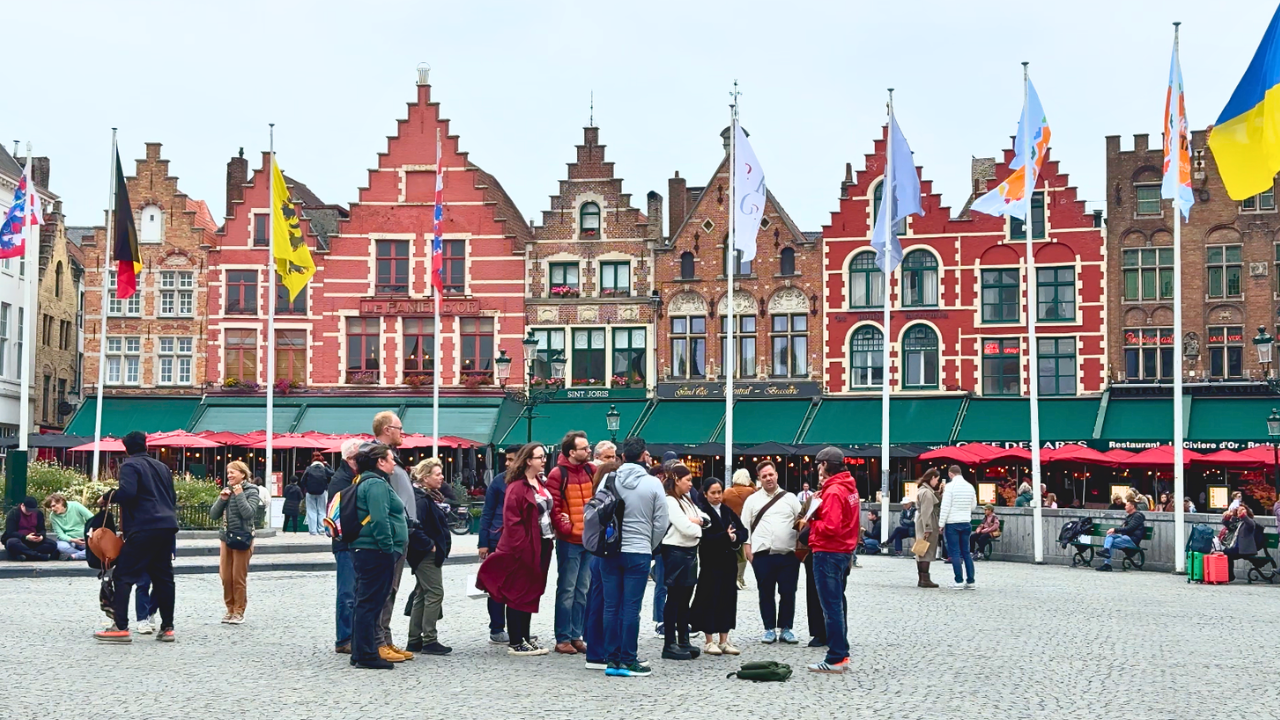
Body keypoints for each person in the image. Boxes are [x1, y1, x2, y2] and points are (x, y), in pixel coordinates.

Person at [475, 442, 559, 656]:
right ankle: (515, 641)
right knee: (517, 592)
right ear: (528, 460)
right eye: (540, 457)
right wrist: (522, 548)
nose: (544, 460)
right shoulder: (517, 486)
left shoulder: (540, 482)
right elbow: (512, 521)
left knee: (531, 591)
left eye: (544, 457)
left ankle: (525, 637)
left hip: (543, 543)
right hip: (524, 547)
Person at [95, 431, 179, 643]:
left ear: (126, 448)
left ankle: (120, 627)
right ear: (146, 445)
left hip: (144, 526)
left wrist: (107, 497)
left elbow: (128, 492)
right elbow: (172, 497)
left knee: (123, 575)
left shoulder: (130, 465)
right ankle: (167, 627)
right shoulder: (162, 467)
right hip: (167, 526)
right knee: (163, 578)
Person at [601, 437, 667, 677]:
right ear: (644, 456)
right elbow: (661, 522)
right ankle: (628, 659)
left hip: (610, 549)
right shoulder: (652, 483)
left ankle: (611, 659)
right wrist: (649, 544)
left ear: (622, 456)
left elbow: (596, 512)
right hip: (638, 550)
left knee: (611, 606)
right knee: (630, 607)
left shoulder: (608, 480)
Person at [349, 442, 409, 669]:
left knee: (365, 601)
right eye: (391, 458)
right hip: (375, 551)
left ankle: (359, 652)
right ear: (380, 462)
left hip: (367, 549)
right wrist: (388, 548)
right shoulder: (376, 484)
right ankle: (366, 654)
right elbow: (380, 519)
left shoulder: (364, 481)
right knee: (370, 604)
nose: (394, 462)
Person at [804, 446, 860, 674]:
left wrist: (812, 520)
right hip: (842, 551)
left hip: (828, 551)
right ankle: (841, 652)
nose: (817, 468)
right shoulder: (848, 487)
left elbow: (831, 526)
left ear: (825, 464)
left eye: (819, 464)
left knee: (831, 606)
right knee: (836, 602)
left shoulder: (834, 491)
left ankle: (836, 656)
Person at [740, 459, 803, 645]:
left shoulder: (790, 498)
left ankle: (786, 628)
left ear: (776, 475)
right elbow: (745, 527)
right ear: (758, 479)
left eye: (771, 474)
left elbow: (801, 523)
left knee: (788, 592)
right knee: (765, 593)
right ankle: (768, 628)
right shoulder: (752, 500)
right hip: (763, 555)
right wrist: (748, 550)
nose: (768, 478)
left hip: (788, 555)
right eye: (764, 476)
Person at [371, 411, 416, 662]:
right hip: (390, 535)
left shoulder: (391, 458)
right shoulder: (376, 458)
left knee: (392, 589)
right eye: (399, 428)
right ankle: (379, 642)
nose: (402, 432)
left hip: (401, 532)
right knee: (384, 589)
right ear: (387, 429)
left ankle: (385, 638)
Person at [547, 430, 595, 655]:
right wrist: (566, 528)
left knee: (582, 589)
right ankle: (563, 637)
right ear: (571, 451)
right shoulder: (558, 474)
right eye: (584, 448)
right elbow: (554, 507)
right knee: (567, 589)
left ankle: (577, 634)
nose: (589, 451)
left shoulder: (590, 470)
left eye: (588, 447)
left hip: (589, 540)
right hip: (570, 541)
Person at [658, 463, 707, 661]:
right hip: (676, 551)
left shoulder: (686, 499)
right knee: (675, 598)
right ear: (677, 480)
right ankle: (669, 643)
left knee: (685, 598)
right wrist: (699, 526)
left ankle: (683, 640)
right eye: (687, 480)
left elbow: (702, 517)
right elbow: (686, 527)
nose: (690, 485)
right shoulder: (670, 501)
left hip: (689, 551)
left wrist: (698, 522)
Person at [690, 476, 744, 657]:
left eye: (719, 492)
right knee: (709, 599)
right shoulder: (702, 512)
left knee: (727, 599)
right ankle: (709, 640)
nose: (717, 496)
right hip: (711, 563)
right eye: (713, 493)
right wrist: (724, 536)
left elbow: (742, 530)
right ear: (705, 494)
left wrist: (735, 537)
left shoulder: (727, 511)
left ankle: (724, 639)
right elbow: (702, 538)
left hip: (729, 563)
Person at [406, 457, 452, 655]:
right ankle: (429, 639)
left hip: (425, 553)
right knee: (434, 593)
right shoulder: (421, 499)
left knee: (422, 594)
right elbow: (415, 527)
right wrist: (430, 546)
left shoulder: (426, 496)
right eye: (437, 474)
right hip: (425, 555)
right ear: (425, 478)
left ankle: (415, 639)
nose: (441, 477)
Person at [477, 444, 521, 645]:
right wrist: (483, 542)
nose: (507, 463)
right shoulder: (498, 481)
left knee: (518, 586)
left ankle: (518, 629)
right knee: (496, 586)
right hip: (497, 538)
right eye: (507, 459)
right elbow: (487, 512)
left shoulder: (530, 480)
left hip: (520, 541)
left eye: (511, 459)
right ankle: (496, 628)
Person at [209, 460, 261, 624]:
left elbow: (248, 513)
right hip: (226, 537)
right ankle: (229, 609)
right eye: (228, 472)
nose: (229, 475)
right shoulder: (227, 490)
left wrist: (239, 495)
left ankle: (239, 611)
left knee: (238, 576)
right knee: (225, 576)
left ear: (243, 474)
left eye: (233, 472)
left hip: (243, 537)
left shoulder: (252, 490)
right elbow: (213, 514)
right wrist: (222, 499)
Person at [582, 460, 620, 671]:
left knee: (598, 602)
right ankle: (598, 651)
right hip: (606, 553)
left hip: (598, 553)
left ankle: (598, 649)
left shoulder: (598, 497)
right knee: (603, 604)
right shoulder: (608, 499)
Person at [329, 438, 362, 655]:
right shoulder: (341, 480)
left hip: (353, 542)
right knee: (347, 592)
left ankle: (353, 635)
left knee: (355, 591)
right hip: (346, 543)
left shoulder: (352, 478)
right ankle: (344, 638)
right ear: (351, 458)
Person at [938, 465, 977, 590]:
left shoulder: (950, 487)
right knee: (966, 552)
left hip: (952, 522)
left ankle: (958, 580)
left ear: (950, 474)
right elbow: (973, 506)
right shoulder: (970, 487)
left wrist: (941, 524)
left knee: (955, 552)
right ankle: (970, 580)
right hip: (966, 521)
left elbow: (945, 507)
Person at [722, 468, 755, 590]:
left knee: (733, 552)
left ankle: (734, 576)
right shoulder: (751, 491)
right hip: (745, 526)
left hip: (730, 526)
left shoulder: (727, 492)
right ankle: (739, 577)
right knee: (743, 554)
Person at [1096, 500, 1145, 572]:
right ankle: (1106, 551)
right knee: (1110, 536)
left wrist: (1115, 530)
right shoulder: (1130, 516)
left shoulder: (1137, 516)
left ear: (1132, 506)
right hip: (1126, 537)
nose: (1125, 507)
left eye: (1127, 505)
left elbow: (1129, 528)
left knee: (1110, 543)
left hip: (1132, 540)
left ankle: (1107, 564)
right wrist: (1115, 531)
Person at [3, 496, 57, 561]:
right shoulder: (13, 513)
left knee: (52, 544)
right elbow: (10, 532)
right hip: (20, 539)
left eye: (32, 510)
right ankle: (37, 556)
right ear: (22, 505)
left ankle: (26, 555)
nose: (29, 512)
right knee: (12, 543)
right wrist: (26, 537)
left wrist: (41, 536)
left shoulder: (38, 514)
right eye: (27, 510)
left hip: (34, 540)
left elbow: (42, 529)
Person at [913, 469, 941, 588]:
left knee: (921, 550)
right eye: (937, 479)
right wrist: (928, 528)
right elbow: (927, 512)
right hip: (926, 523)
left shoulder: (923, 490)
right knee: (926, 552)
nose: (937, 482)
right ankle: (925, 578)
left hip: (921, 522)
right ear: (932, 478)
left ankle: (922, 578)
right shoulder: (927, 493)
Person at [44, 493, 93, 561]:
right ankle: (85, 555)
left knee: (97, 548)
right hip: (69, 541)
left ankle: (73, 556)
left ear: (61, 501)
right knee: (60, 546)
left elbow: (92, 519)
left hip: (83, 538)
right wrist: (73, 540)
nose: (52, 509)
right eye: (50, 507)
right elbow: (60, 535)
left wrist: (90, 532)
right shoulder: (53, 516)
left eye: (54, 506)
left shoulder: (75, 506)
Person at [1224, 505, 1259, 582]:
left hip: (1244, 549)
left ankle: (1230, 576)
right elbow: (1228, 525)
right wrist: (1227, 517)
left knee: (1227, 553)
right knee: (1222, 553)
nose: (1241, 511)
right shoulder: (1236, 522)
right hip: (1235, 547)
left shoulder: (1249, 522)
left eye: (1243, 509)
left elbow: (1251, 525)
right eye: (1239, 510)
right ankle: (1224, 575)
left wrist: (1244, 516)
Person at [300, 451, 332, 535]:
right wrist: (327, 465)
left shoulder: (308, 468)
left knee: (311, 511)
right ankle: (321, 529)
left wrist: (306, 489)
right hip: (322, 492)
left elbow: (302, 481)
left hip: (310, 492)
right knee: (322, 511)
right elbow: (333, 473)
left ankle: (313, 531)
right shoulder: (324, 468)